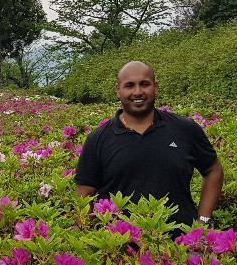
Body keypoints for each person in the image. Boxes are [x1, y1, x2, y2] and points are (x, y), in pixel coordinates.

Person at [74, 61, 224, 228]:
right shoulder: (98, 139)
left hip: (181, 246)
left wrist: (203, 220)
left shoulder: (186, 130)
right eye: (129, 85)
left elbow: (213, 170)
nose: (137, 92)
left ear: (155, 87)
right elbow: (84, 196)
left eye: (144, 84)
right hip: (120, 247)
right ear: (118, 89)